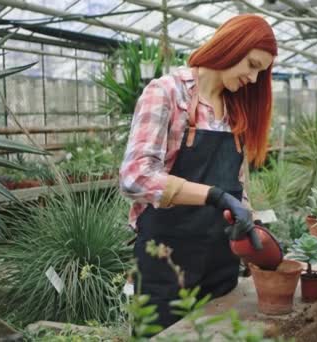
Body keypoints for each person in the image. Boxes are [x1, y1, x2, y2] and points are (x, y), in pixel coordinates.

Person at [119, 14, 277, 328]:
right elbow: (135, 177)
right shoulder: (167, 93)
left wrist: (249, 222)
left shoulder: (236, 110)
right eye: (252, 64)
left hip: (221, 263)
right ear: (232, 46)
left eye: (262, 71)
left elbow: (237, 184)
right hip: (165, 260)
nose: (255, 79)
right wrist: (214, 196)